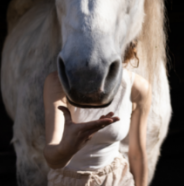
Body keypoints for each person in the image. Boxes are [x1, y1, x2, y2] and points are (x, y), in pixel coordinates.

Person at [43, 41, 151, 186]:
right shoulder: (57, 83)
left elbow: (137, 153)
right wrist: (67, 148)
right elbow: (52, 159)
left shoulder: (137, 87)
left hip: (116, 180)